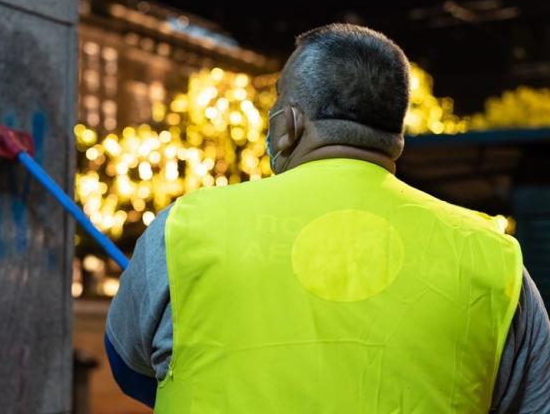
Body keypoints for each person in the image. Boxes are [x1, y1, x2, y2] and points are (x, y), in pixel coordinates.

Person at [105, 23, 550, 413]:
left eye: (277, 99)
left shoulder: (185, 228)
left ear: (289, 123)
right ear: (394, 134)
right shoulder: (493, 260)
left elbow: (129, 366)